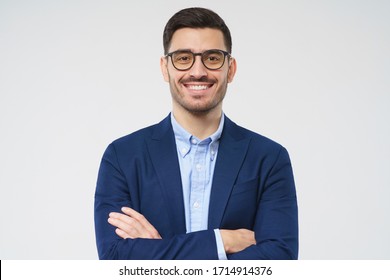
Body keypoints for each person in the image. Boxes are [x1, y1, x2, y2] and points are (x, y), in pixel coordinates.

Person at [94, 7, 298, 260]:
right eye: (183, 58)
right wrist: (220, 242)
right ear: (165, 68)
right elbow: (115, 258)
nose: (198, 71)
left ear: (230, 69)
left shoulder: (269, 158)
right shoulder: (122, 156)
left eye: (212, 58)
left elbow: (279, 260)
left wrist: (157, 252)